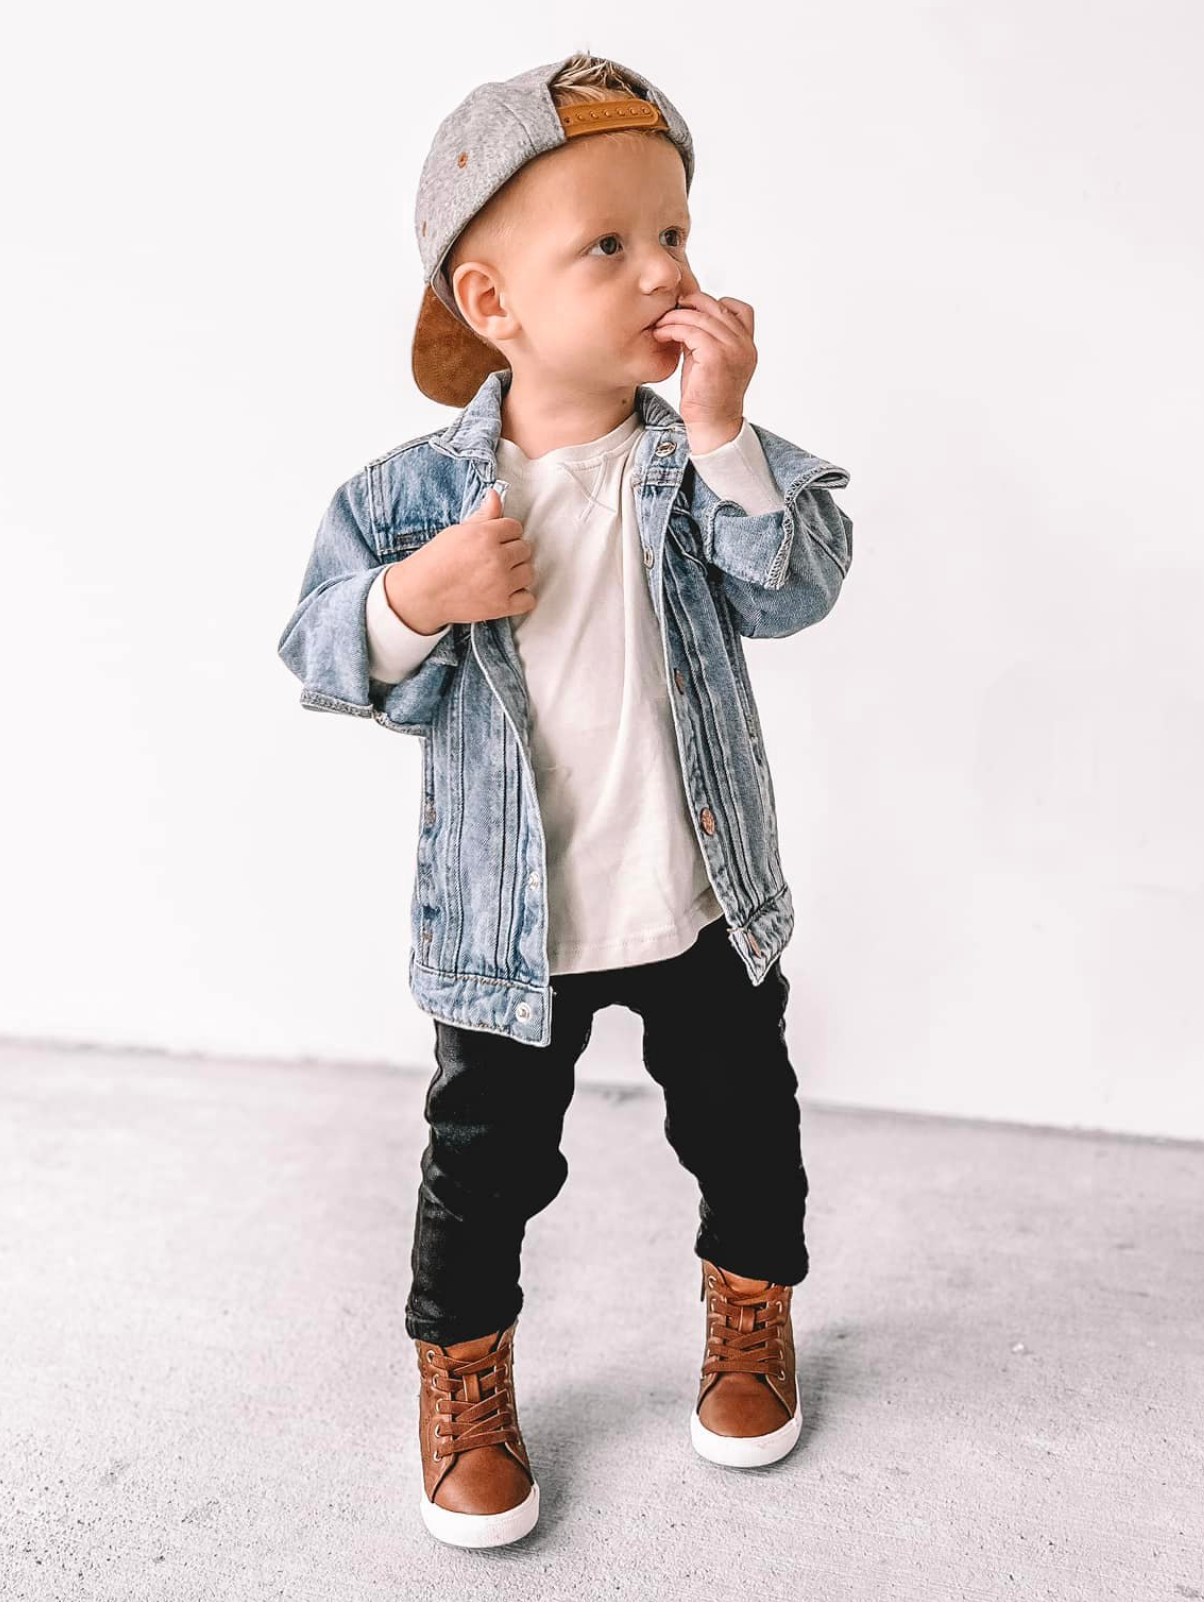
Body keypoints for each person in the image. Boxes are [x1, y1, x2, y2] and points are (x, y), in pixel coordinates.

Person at [277, 50, 854, 1550]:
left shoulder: (695, 461)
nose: (666, 269)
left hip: (700, 894)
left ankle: (749, 1315)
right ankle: (462, 1376)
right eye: (611, 244)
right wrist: (419, 593)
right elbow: (322, 651)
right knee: (486, 1164)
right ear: (495, 304)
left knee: (745, 1126)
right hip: (508, 927)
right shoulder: (412, 500)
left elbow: (798, 584)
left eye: (675, 233)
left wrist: (728, 432)